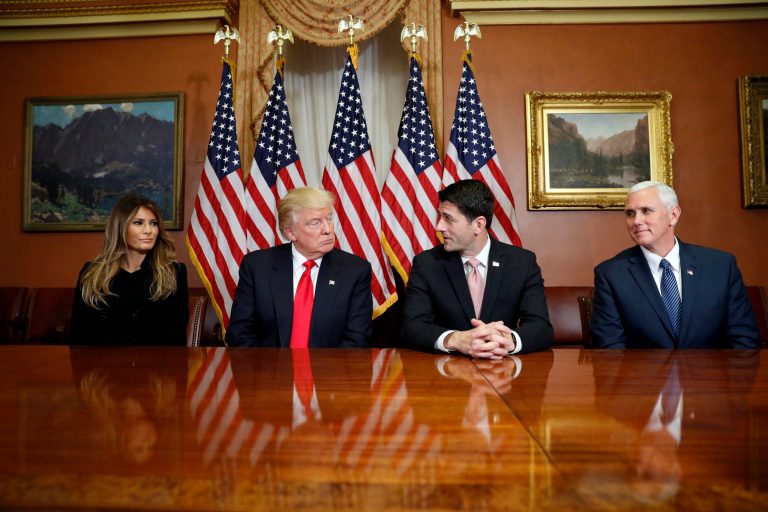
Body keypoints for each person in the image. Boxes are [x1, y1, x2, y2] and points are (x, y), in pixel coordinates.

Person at [591, 181, 759, 349]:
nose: (636, 221)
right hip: (642, 375)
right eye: (630, 213)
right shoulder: (611, 274)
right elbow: (610, 351)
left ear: (673, 215)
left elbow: (744, 341)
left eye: (646, 211)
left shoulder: (721, 267)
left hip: (711, 374)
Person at [401, 179, 553, 358]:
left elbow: (541, 327)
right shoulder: (427, 264)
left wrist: (508, 340)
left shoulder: (522, 262)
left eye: (448, 219)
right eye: (440, 216)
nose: (439, 227)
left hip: (503, 372)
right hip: (446, 373)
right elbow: (411, 327)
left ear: (478, 225)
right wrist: (456, 339)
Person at [226, 187, 372, 347]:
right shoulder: (257, 267)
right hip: (268, 369)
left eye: (329, 219)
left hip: (329, 370)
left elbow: (356, 341)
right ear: (291, 232)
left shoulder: (355, 271)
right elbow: (239, 335)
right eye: (315, 223)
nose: (328, 229)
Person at [69, 194, 188, 346]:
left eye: (153, 223)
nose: (148, 230)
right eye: (138, 223)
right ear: (120, 228)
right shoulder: (92, 272)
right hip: (102, 366)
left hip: (156, 366)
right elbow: (78, 336)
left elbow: (175, 339)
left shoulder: (174, 272)